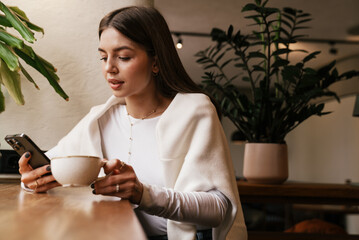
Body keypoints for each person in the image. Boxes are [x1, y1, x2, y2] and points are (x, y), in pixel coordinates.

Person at [18, 6, 247, 240]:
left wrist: (142, 194)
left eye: (123, 57)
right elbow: (48, 167)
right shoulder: (99, 119)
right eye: (103, 57)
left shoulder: (194, 111)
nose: (109, 68)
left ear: (156, 61)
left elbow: (220, 208)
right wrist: (31, 181)